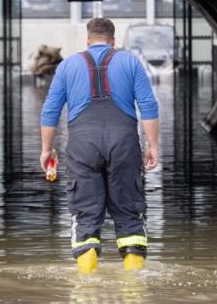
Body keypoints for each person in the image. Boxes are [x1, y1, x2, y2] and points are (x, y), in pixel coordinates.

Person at [39, 17, 160, 273]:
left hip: (83, 144)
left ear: (88, 40)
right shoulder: (129, 61)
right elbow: (148, 106)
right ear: (113, 41)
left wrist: (46, 150)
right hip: (124, 142)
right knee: (129, 213)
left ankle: (86, 285)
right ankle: (134, 288)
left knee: (85, 213)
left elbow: (50, 111)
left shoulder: (68, 65)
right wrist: (153, 145)